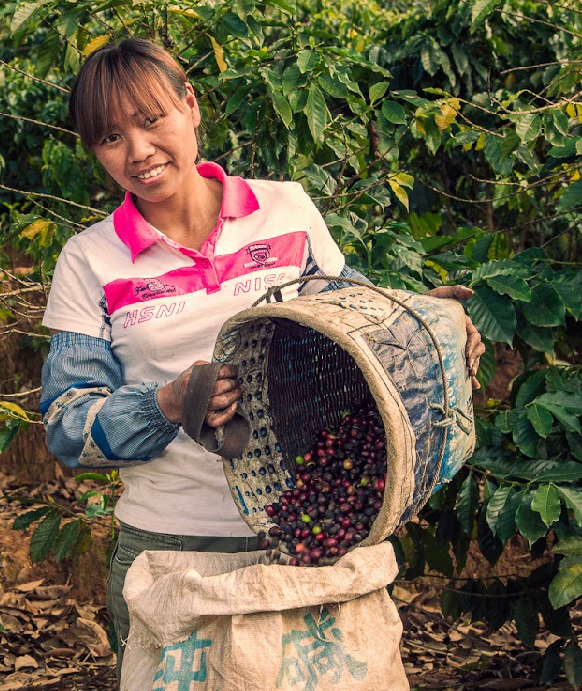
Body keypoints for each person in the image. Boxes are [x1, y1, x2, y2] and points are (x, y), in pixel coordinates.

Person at [38, 37, 484, 670]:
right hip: (173, 545)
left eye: (151, 119)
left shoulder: (285, 209)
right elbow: (67, 427)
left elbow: (349, 330)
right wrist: (164, 403)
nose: (138, 152)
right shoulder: (88, 260)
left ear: (190, 106)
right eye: (110, 138)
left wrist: (425, 321)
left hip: (308, 535)